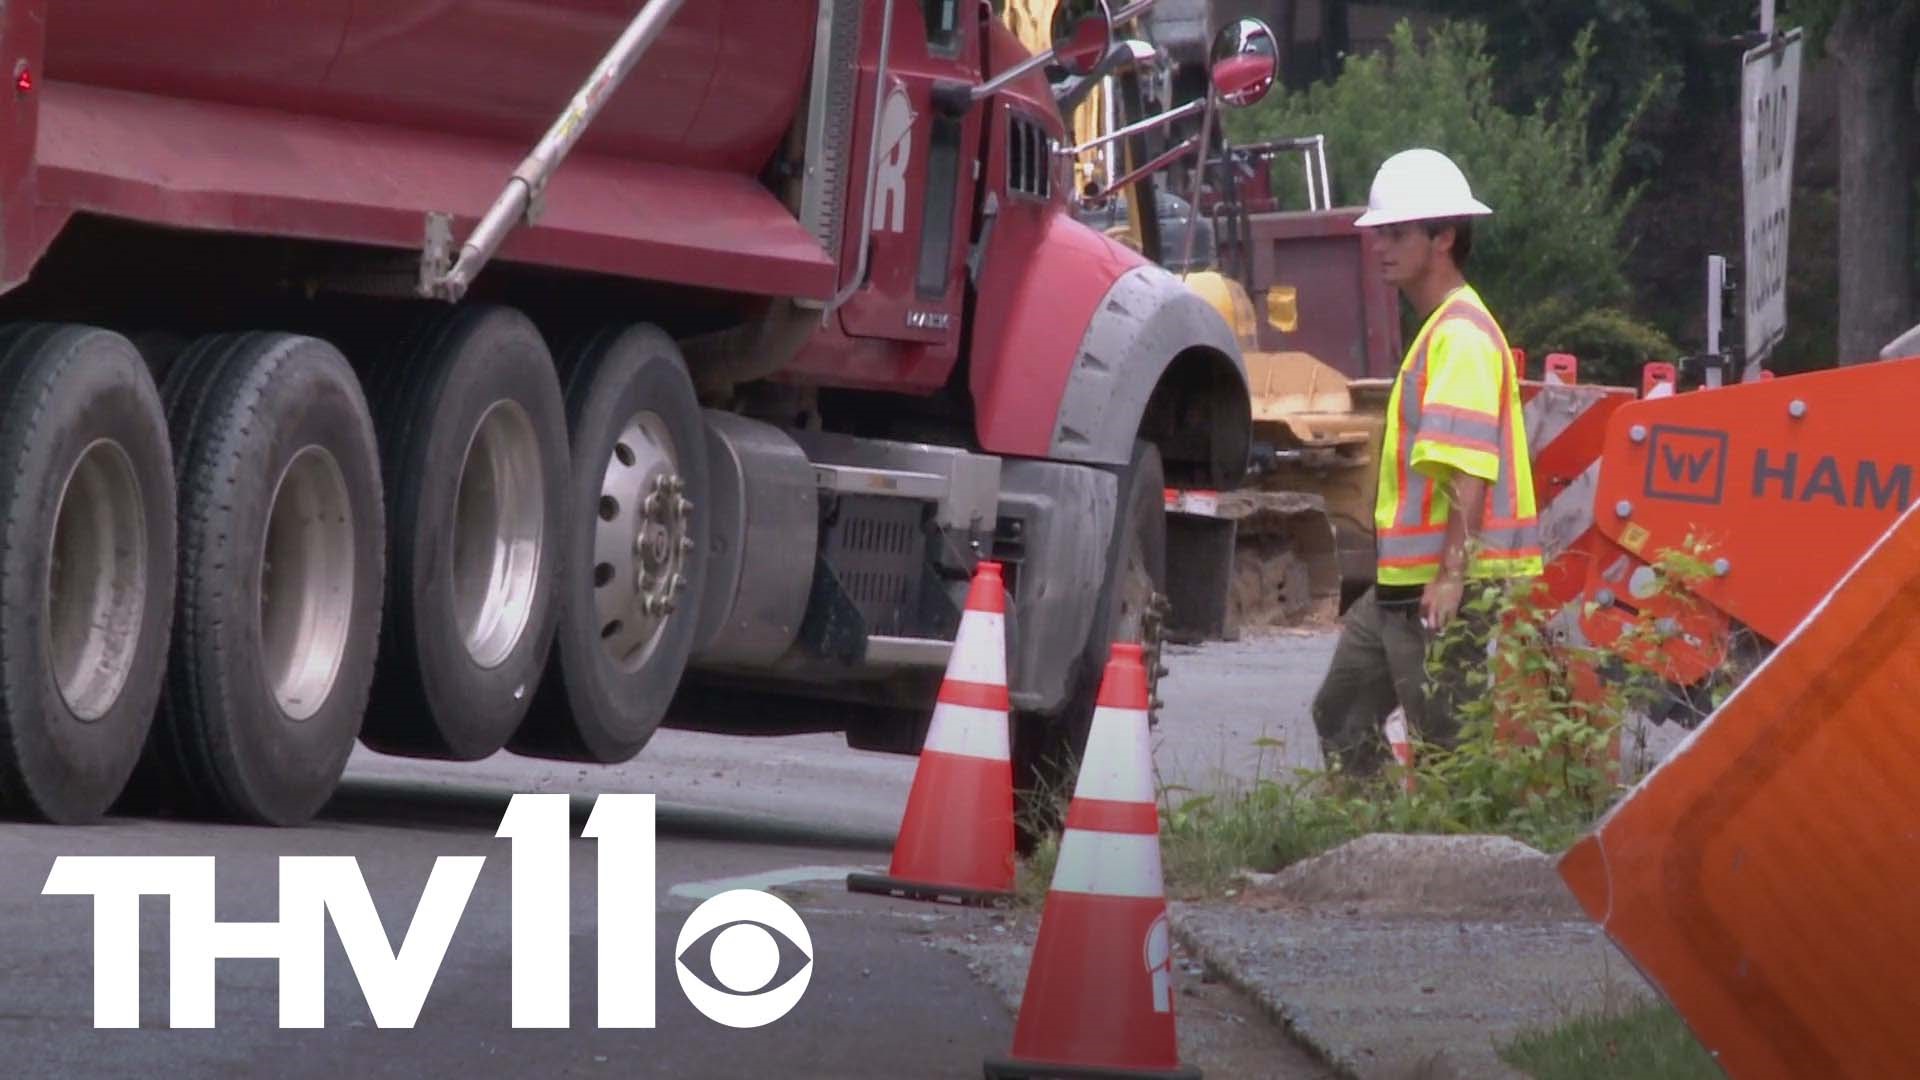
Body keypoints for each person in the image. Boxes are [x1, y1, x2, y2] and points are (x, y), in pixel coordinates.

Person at [1310, 147, 1544, 777]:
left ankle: (1455, 866)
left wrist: (1451, 575)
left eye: (1396, 233)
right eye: (1379, 233)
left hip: (1437, 585)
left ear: (1444, 237)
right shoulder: (1441, 329)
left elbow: (1468, 467)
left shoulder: (1461, 336)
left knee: (1447, 753)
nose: (1380, 246)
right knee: (1340, 714)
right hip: (1402, 579)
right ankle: (1384, 852)